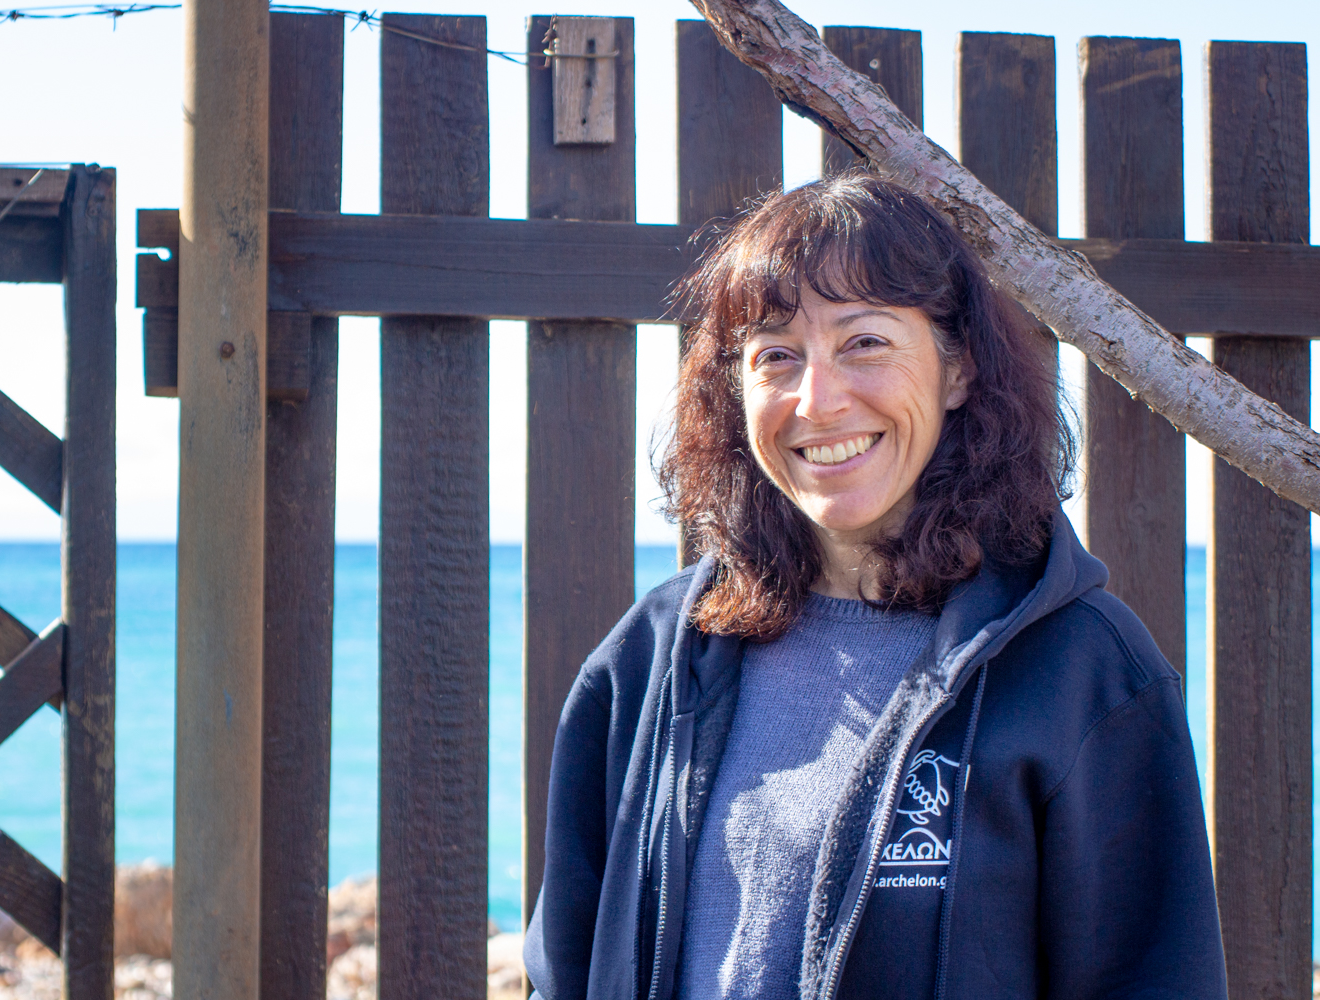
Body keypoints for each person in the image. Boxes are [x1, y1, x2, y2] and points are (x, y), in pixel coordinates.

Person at [521, 174, 1226, 1000]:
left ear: (957, 369)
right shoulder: (649, 660)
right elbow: (562, 971)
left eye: (865, 343)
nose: (818, 401)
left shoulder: (1085, 671)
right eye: (776, 356)